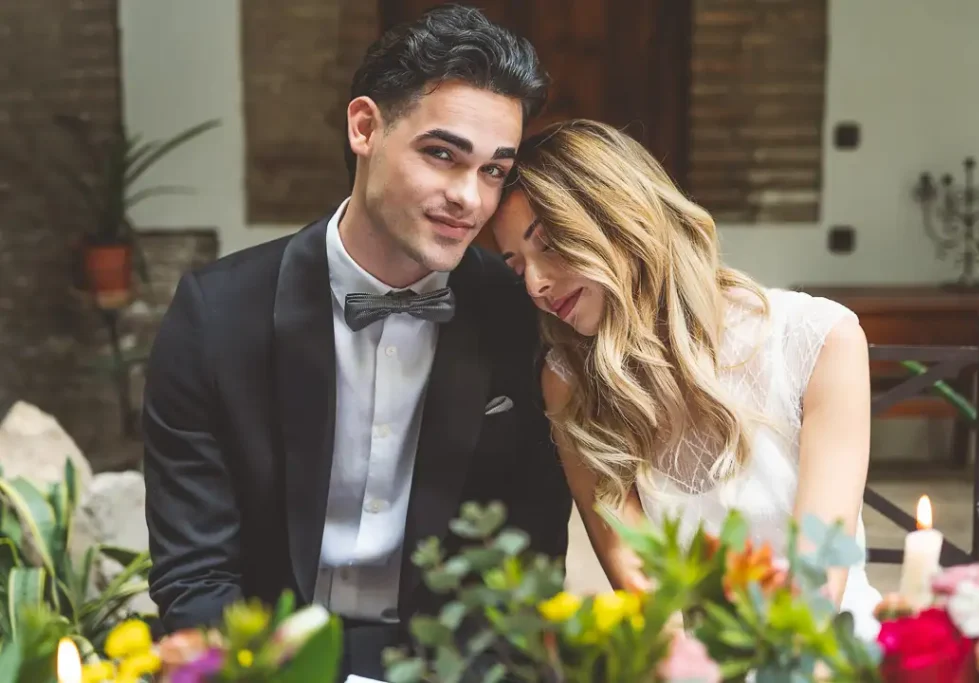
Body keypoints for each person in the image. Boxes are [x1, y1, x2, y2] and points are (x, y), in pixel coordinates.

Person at [142, 5, 573, 678]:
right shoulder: (216, 314)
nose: (470, 198)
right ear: (365, 126)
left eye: (493, 170)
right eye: (442, 154)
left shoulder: (518, 313)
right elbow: (194, 577)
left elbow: (529, 563)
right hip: (269, 660)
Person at [489, 118, 883, 640]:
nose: (537, 283)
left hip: (823, 653)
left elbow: (818, 583)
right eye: (518, 268)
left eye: (551, 244)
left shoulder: (820, 340)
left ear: (621, 216)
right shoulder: (568, 381)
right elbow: (640, 583)